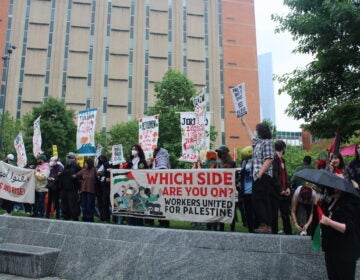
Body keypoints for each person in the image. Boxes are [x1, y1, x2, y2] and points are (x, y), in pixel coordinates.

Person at [241, 118, 274, 234]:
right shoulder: (258, 143)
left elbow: (269, 159)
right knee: (258, 200)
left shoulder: (267, 143)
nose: (255, 132)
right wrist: (244, 123)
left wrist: (260, 174)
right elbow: (250, 136)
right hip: (258, 177)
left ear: (261, 131)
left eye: (257, 130)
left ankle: (266, 225)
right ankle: (265, 224)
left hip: (263, 176)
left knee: (259, 200)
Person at [319, 188, 360, 280]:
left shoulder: (350, 204)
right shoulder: (333, 200)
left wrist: (329, 222)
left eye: (336, 190)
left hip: (345, 250)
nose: (333, 190)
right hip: (332, 248)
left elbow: (348, 228)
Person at [272, 140, 292, 235]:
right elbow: (275, 176)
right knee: (275, 214)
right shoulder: (273, 159)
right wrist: (280, 190)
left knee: (285, 213)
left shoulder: (282, 160)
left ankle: (288, 232)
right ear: (283, 148)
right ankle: (274, 232)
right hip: (276, 192)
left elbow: (285, 175)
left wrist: (287, 187)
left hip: (284, 191)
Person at [126, 144, 148, 226]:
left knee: (138, 205)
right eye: (132, 149)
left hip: (139, 186)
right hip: (130, 186)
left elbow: (144, 173)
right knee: (130, 205)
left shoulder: (142, 161)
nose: (133, 151)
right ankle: (131, 222)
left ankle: (139, 223)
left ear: (139, 151)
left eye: (135, 149)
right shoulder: (130, 162)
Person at [215, 145, 236, 231]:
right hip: (220, 190)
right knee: (221, 209)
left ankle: (232, 228)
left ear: (223, 153)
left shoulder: (232, 163)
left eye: (219, 152)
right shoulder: (217, 163)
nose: (217, 154)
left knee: (231, 209)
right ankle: (221, 228)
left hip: (229, 189)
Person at [59, 152, 81, 221]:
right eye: (67, 157)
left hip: (73, 188)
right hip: (64, 188)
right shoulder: (65, 166)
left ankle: (74, 216)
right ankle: (65, 215)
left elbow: (80, 177)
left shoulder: (77, 166)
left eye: (69, 157)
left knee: (73, 203)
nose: (67, 159)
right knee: (64, 203)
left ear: (72, 158)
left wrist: (76, 177)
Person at [74, 157, 97, 222]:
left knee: (90, 204)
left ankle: (90, 217)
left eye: (86, 163)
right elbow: (76, 175)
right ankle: (84, 216)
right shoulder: (83, 170)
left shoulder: (94, 170)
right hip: (83, 189)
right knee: (84, 205)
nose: (85, 164)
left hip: (91, 190)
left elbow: (98, 175)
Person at [153, 147, 171, 227]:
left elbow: (161, 169)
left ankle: (164, 222)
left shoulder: (161, 159)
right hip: (162, 186)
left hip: (161, 185)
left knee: (161, 203)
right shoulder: (161, 159)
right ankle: (163, 222)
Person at [240, 157, 255, 233]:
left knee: (254, 211)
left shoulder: (256, 163)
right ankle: (250, 229)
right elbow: (241, 173)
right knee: (248, 212)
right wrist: (247, 165)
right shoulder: (244, 162)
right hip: (246, 193)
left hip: (254, 192)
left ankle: (254, 227)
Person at [97, 155, 112, 222]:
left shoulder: (120, 164)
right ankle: (106, 217)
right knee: (104, 203)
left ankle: (117, 219)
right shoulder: (105, 165)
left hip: (116, 187)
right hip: (105, 187)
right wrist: (105, 178)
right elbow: (98, 173)